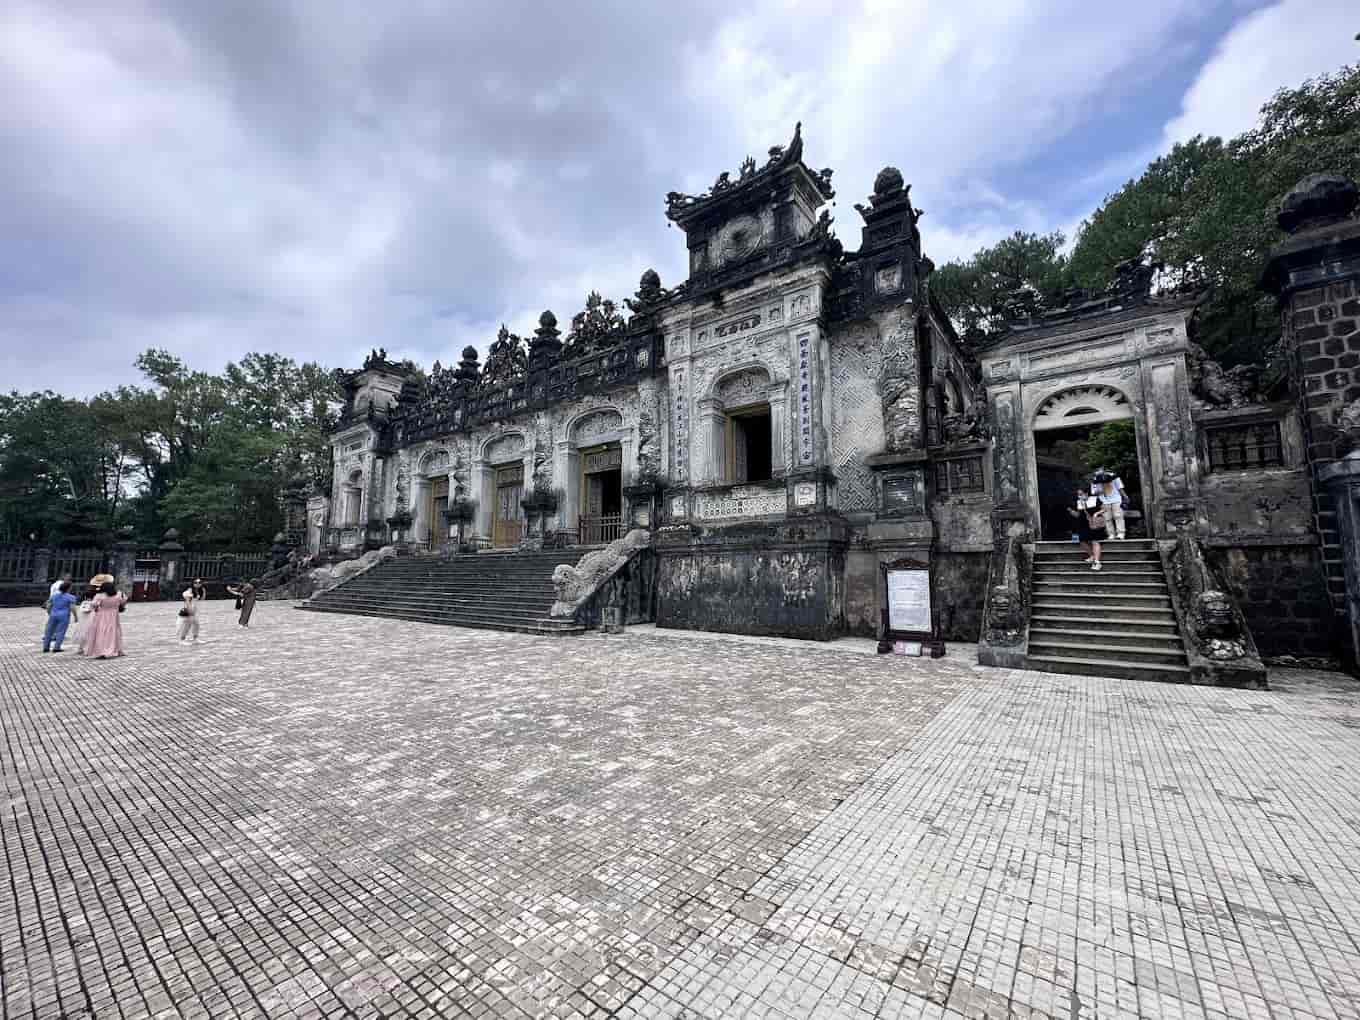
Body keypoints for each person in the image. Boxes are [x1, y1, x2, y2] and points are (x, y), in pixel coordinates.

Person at [84, 581, 128, 659]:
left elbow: (94, 605)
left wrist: (94, 606)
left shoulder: (99, 596)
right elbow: (124, 601)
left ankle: (101, 650)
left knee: (101, 632)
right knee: (113, 632)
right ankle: (113, 649)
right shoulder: (118, 595)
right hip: (114, 616)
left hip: (101, 616)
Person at [42, 581, 79, 653]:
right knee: (61, 631)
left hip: (53, 614)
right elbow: (72, 608)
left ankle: (46, 647)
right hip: (64, 616)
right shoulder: (71, 597)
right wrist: (75, 616)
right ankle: (57, 647)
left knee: (49, 631)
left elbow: (48, 605)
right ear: (69, 588)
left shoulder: (54, 595)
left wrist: (49, 612)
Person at [1091, 469, 1128, 540]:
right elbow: (1093, 492)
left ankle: (1121, 534)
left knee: (1118, 516)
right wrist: (1099, 491)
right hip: (1104, 501)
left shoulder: (1114, 476)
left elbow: (1120, 487)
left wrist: (1125, 496)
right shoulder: (1095, 480)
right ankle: (1111, 534)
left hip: (1116, 499)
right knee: (1107, 518)